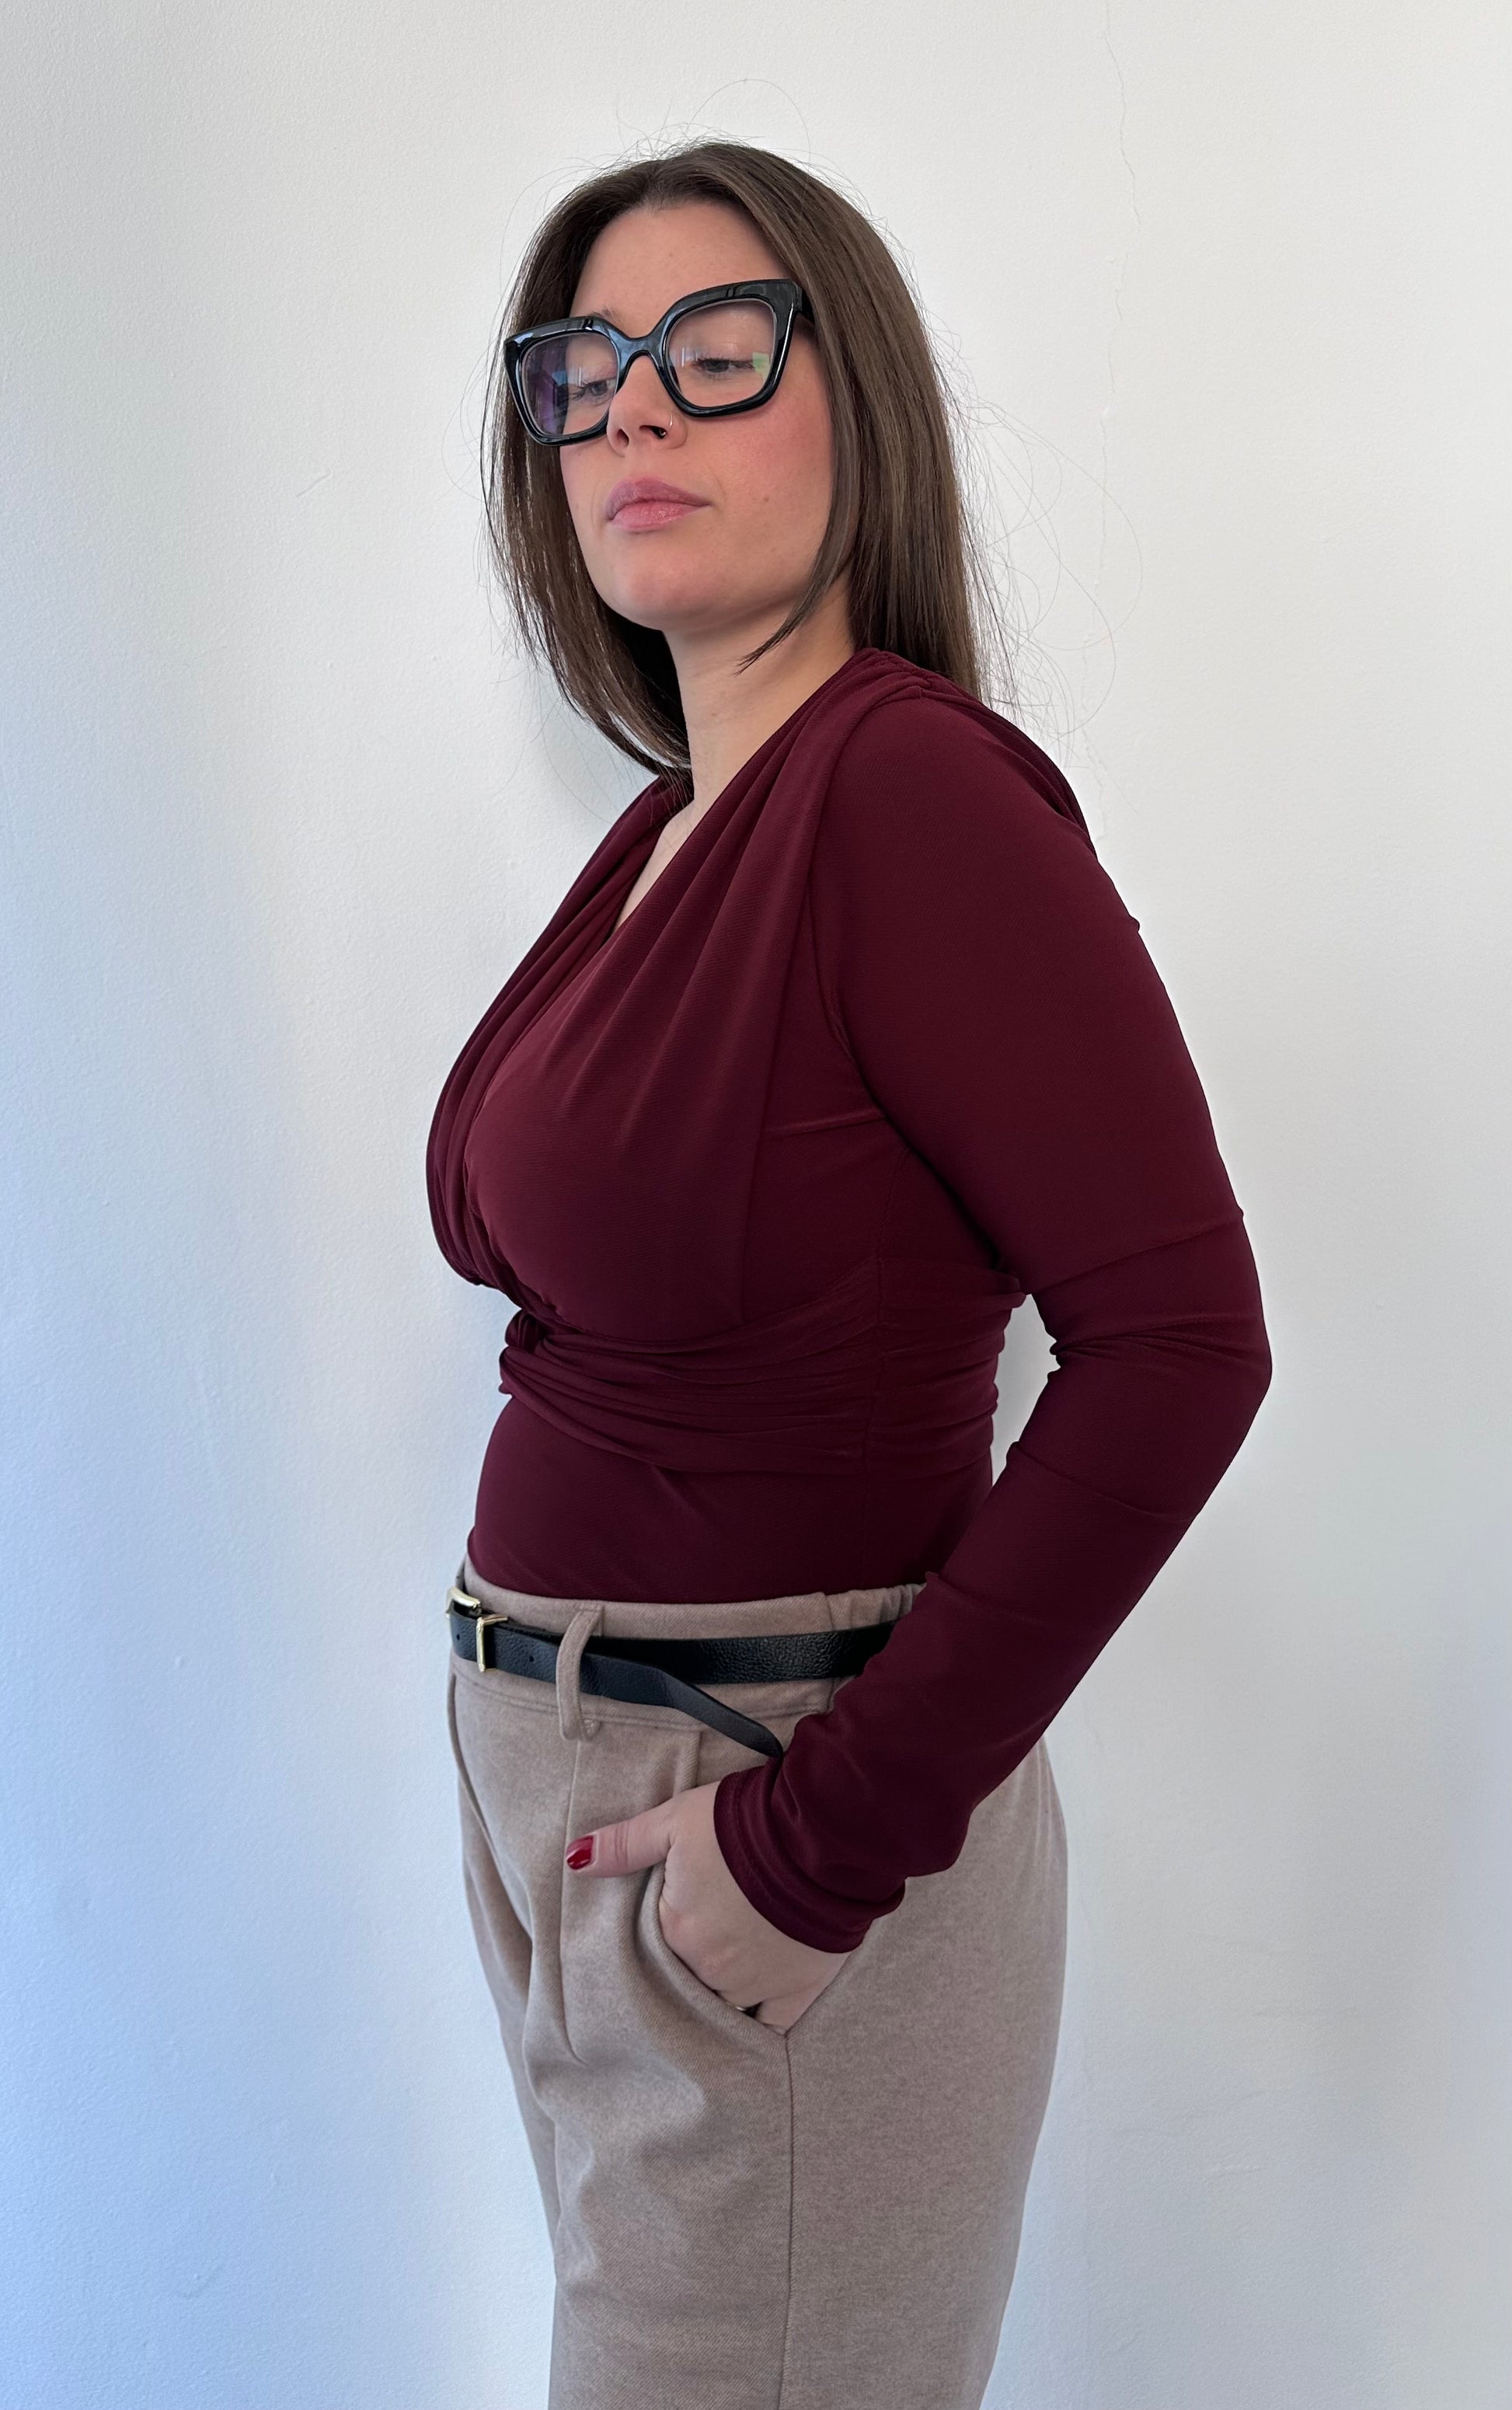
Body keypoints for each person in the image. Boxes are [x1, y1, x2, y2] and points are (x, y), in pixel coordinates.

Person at [426, 138, 1272, 2410]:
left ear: (857, 400)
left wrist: (818, 1852)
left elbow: (1180, 1347)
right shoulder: (669, 828)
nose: (632, 403)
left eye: (713, 347)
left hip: (760, 1803)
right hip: (589, 1794)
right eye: (583, 365)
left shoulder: (905, 797)